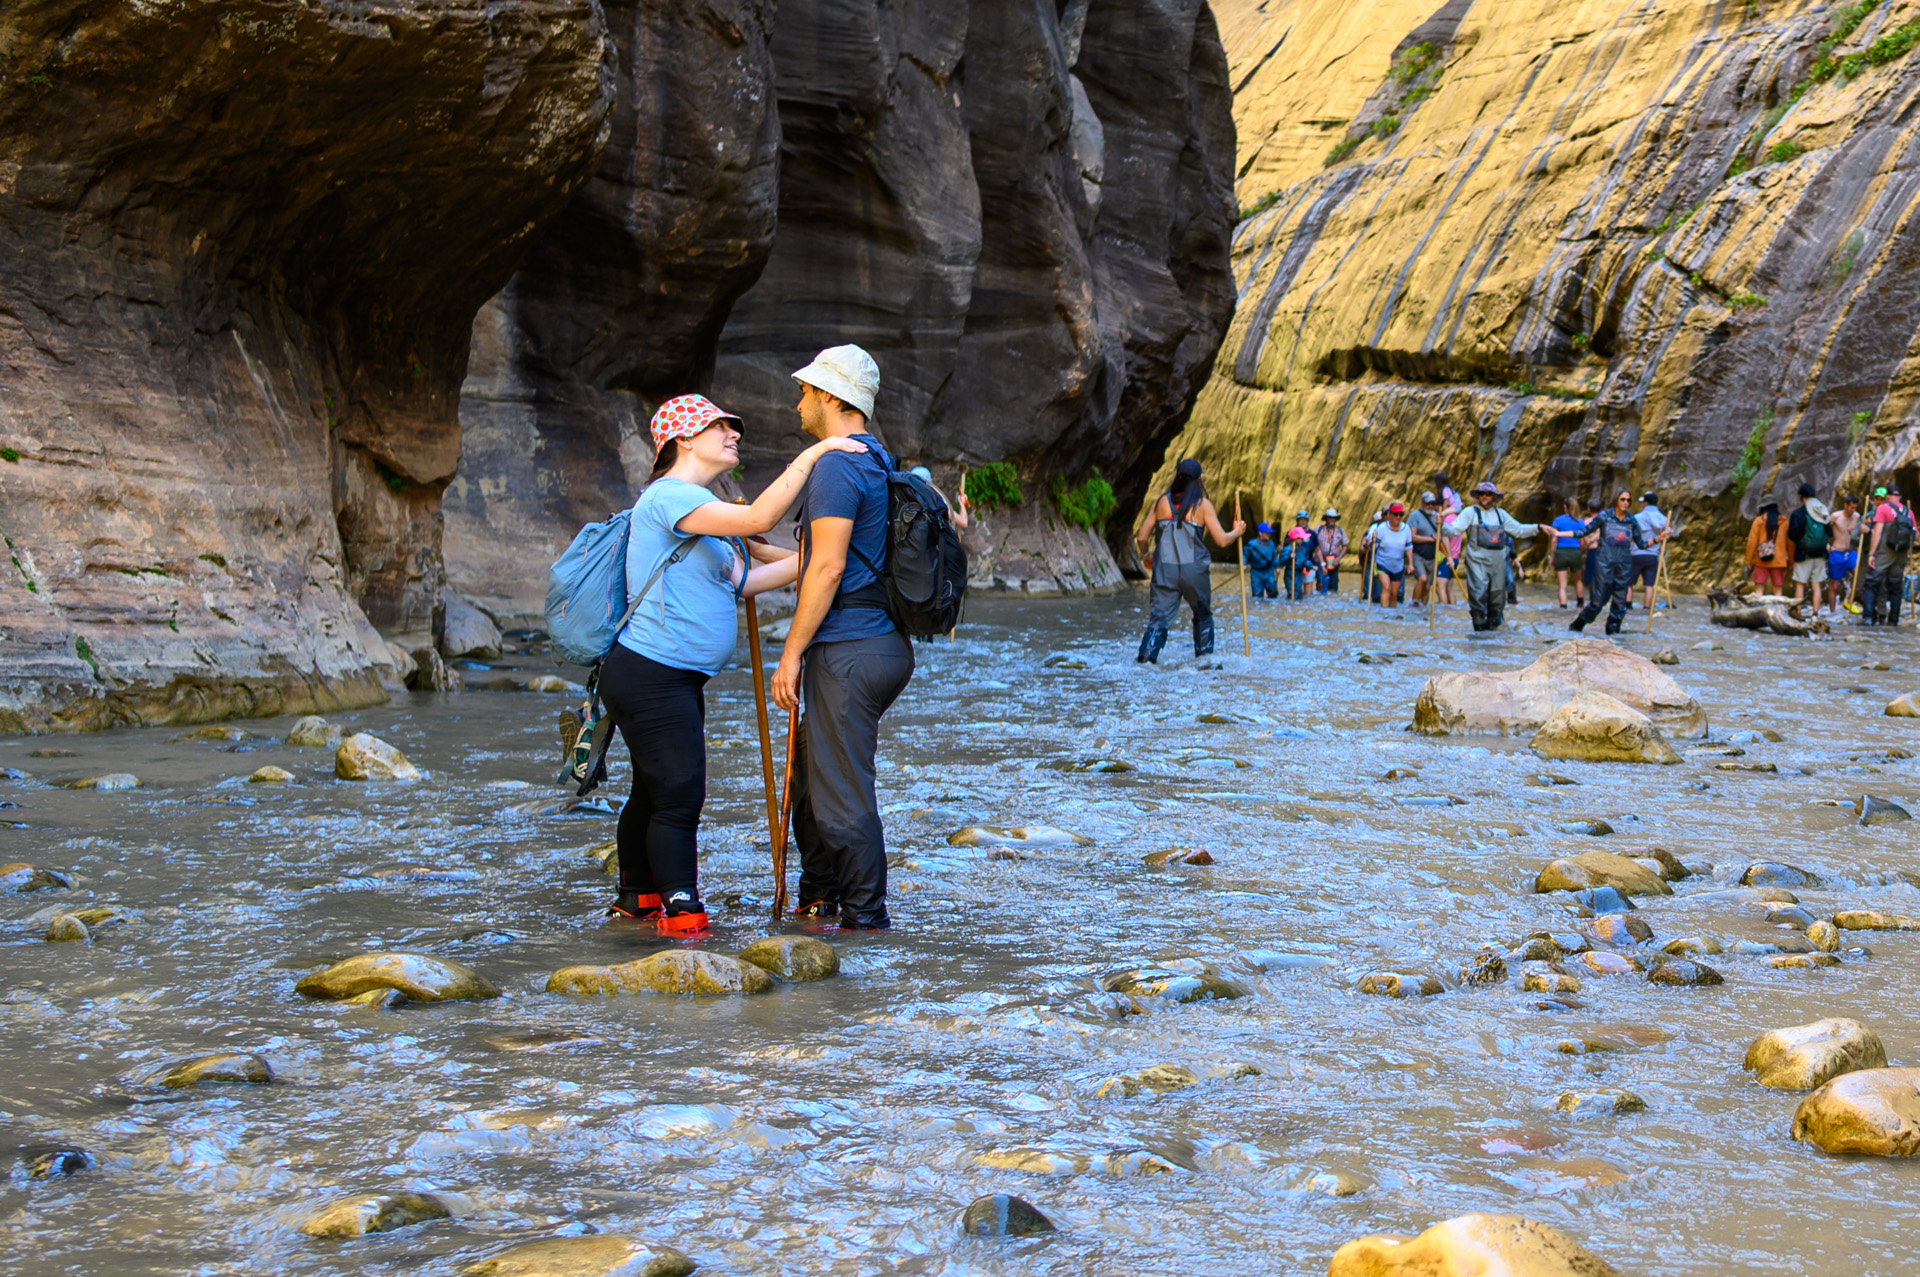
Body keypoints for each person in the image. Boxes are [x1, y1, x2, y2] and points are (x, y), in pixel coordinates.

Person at [603, 394, 869, 931]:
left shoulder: (700, 510)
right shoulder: (668, 497)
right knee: (679, 791)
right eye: (719, 427)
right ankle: (681, 909)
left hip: (667, 676)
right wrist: (818, 453)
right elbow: (759, 517)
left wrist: (831, 556)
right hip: (652, 672)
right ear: (683, 439)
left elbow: (746, 581)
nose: (734, 434)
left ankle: (638, 896)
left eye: (732, 427)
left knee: (652, 787)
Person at [770, 345, 913, 932]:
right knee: (813, 778)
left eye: (806, 391)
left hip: (848, 650)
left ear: (831, 397)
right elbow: (824, 560)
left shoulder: (836, 466)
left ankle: (865, 923)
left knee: (839, 794)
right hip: (880, 642)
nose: (799, 402)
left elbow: (827, 570)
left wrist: (790, 655)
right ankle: (819, 898)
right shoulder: (877, 458)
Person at [1133, 458, 1245, 662]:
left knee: (1158, 620)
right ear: (1199, 479)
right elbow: (1221, 540)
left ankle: (1145, 660)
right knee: (1202, 615)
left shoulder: (1161, 503)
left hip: (1165, 572)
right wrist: (1237, 532)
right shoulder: (1203, 505)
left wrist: (1146, 556)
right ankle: (1203, 662)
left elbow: (1141, 537)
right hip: (1194, 573)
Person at [1443, 481, 1557, 631]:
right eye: (1482, 493)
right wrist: (1441, 525)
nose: (1484, 496)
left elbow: (1518, 530)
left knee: (1497, 596)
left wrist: (1539, 527)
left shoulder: (1501, 514)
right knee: (1478, 593)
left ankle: (1493, 628)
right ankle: (1478, 627)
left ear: (1494, 497)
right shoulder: (1470, 512)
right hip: (1477, 560)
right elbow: (1453, 530)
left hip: (1497, 561)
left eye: (1488, 494)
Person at [1569, 488, 1666, 634]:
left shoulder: (1631, 520)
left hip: (1623, 565)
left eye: (1628, 500)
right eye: (1623, 499)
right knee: (1598, 602)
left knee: (1620, 604)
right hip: (1604, 563)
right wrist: (1558, 533)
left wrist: (1658, 538)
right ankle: (1577, 626)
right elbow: (1583, 532)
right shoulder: (1605, 516)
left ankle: (1613, 635)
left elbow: (1641, 544)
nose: (1626, 503)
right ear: (1616, 500)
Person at [1860, 486, 1914, 625]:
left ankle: (1868, 618)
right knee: (1896, 587)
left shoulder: (1883, 508)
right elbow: (1916, 535)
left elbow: (1877, 533)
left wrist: (1872, 554)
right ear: (1900, 497)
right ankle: (1893, 620)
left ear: (1888, 496)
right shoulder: (1908, 512)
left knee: (1871, 583)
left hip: (1885, 552)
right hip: (1901, 554)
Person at [1786, 482, 1831, 613]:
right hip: (1820, 554)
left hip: (1803, 554)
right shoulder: (1822, 510)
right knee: (1816, 585)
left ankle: (1798, 612)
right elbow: (1829, 533)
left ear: (1801, 496)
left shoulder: (1798, 513)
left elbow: (1792, 535)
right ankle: (1815, 613)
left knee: (1800, 584)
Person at [1369, 502, 1415, 608]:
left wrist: (1411, 564)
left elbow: (1408, 547)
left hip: (1397, 565)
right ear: (1389, 514)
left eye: (1400, 515)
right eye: (1395, 514)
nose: (1398, 517)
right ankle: (1384, 612)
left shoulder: (1406, 529)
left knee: (1394, 594)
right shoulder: (1381, 528)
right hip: (1382, 563)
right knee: (1386, 588)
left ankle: (1391, 615)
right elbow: (1373, 547)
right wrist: (1372, 541)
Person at [1631, 491, 1669, 609]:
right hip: (1653, 555)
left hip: (1636, 554)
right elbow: (1668, 533)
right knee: (1649, 585)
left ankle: (1627, 606)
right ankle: (1647, 608)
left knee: (1628, 583)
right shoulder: (1664, 519)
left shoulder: (1637, 517)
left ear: (1645, 503)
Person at [1551, 497, 1587, 609]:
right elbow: (1582, 541)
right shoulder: (1579, 521)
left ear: (1565, 507)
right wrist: (1581, 551)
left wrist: (1551, 556)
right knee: (1578, 580)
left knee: (1562, 585)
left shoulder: (1558, 520)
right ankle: (1580, 603)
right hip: (1575, 552)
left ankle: (1563, 606)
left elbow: (1554, 539)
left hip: (1561, 552)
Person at [1746, 501, 1790, 593]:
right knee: (1778, 589)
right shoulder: (1785, 523)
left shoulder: (1758, 521)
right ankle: (1778, 603)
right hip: (1779, 561)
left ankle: (1758, 603)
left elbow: (1752, 541)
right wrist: (1792, 560)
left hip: (1761, 560)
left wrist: (1748, 560)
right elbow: (1790, 543)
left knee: (1759, 589)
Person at [1828, 493, 1862, 613]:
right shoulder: (1835, 516)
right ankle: (1832, 611)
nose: (1853, 510)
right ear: (1845, 505)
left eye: (1855, 508)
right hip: (1837, 552)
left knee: (1859, 575)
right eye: (1851, 507)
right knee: (1834, 585)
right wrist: (1827, 544)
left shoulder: (1857, 516)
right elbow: (1825, 530)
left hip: (1850, 552)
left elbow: (1859, 534)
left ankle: (1849, 600)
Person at [909, 465, 969, 530]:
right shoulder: (936, 503)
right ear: (930, 484)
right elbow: (963, 522)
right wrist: (962, 504)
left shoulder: (904, 500)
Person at [1408, 492, 1441, 605]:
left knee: (1427, 587)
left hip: (1432, 556)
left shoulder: (1437, 517)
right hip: (1418, 554)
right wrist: (1430, 539)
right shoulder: (1415, 515)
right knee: (1422, 578)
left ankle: (1423, 609)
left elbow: (1443, 536)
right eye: (1428, 503)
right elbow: (1412, 536)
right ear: (1422, 503)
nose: (1430, 506)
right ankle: (1415, 603)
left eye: (1432, 503)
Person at [1314, 508, 1348, 594]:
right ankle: (1320, 599)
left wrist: (1338, 559)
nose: (1331, 520)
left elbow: (1345, 546)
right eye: (1329, 517)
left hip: (1333, 562)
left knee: (1333, 586)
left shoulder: (1340, 531)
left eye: (1333, 518)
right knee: (1321, 584)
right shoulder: (1318, 529)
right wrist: (1321, 562)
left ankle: (1331, 600)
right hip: (1320, 561)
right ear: (1326, 518)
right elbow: (1313, 544)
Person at [1245, 522, 1279, 599]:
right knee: (1257, 595)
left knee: (1273, 592)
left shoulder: (1271, 544)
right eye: (1267, 533)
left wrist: (1277, 567)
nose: (1269, 534)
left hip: (1269, 571)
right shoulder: (1252, 544)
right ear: (1260, 533)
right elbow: (1245, 554)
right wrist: (1243, 564)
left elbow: (1274, 557)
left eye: (1269, 533)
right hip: (1256, 572)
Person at [1282, 525, 1315, 599]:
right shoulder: (1288, 549)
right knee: (1292, 593)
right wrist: (1289, 557)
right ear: (1295, 539)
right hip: (1290, 574)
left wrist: (1311, 566)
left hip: (1299, 574)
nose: (1302, 540)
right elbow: (1282, 561)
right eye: (1301, 538)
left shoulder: (1302, 549)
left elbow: (1303, 561)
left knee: (1299, 593)